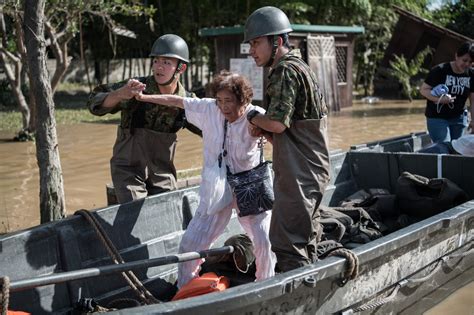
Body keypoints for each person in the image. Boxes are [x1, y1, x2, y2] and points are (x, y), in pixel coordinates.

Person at [135, 71, 276, 287]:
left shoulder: (256, 115)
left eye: (229, 101)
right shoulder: (209, 109)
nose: (223, 106)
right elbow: (177, 101)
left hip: (250, 187)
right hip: (217, 187)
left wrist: (265, 134)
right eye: (220, 100)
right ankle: (186, 288)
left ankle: (265, 285)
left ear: (242, 99)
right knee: (190, 244)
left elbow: (279, 138)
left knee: (264, 241)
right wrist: (143, 98)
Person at [243, 6, 330, 272]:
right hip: (312, 168)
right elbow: (294, 127)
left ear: (277, 42)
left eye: (256, 43)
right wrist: (267, 128)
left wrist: (253, 118)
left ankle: (297, 296)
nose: (251, 51)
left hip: (299, 174)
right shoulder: (299, 65)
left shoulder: (283, 71)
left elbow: (279, 124)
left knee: (287, 242)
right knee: (306, 236)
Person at [87, 34, 200, 204]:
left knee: (169, 211)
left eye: (166, 62)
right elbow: (93, 102)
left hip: (162, 174)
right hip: (128, 170)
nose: (159, 67)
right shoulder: (135, 87)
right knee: (136, 213)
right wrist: (119, 95)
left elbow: (212, 129)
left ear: (181, 68)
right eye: (156, 61)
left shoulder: (187, 101)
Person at [420, 42, 474, 143]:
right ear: (456, 55)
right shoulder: (440, 70)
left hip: (459, 118)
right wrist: (439, 100)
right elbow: (423, 90)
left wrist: (473, 121)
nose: (467, 64)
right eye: (465, 60)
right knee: (444, 145)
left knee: (457, 149)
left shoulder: (471, 74)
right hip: (437, 117)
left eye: (471, 62)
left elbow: (473, 101)